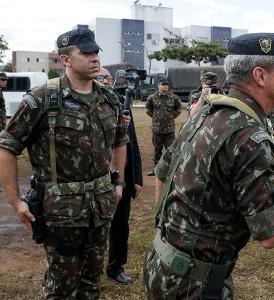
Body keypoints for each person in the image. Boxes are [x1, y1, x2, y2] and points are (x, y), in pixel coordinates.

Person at [143, 32, 274, 299]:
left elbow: (163, 175)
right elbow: (273, 233)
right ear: (260, 76)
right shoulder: (248, 136)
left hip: (162, 265)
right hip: (194, 286)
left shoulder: (205, 112)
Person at [0, 28, 128, 299]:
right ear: (66, 59)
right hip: (61, 213)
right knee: (62, 287)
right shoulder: (42, 99)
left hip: (100, 208)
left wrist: (118, 182)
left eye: (96, 52)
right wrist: (15, 202)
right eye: (86, 53)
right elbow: (7, 147)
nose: (95, 58)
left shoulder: (109, 99)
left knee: (92, 283)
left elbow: (120, 141)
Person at [97, 67, 143, 285]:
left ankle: (116, 267)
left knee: (120, 225)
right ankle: (90, 268)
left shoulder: (120, 104)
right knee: (94, 227)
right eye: (101, 77)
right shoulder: (86, 105)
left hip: (121, 178)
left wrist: (136, 179)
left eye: (107, 77)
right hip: (97, 177)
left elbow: (132, 144)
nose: (106, 81)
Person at [145, 78, 182, 176]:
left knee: (171, 151)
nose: (165, 86)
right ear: (158, 85)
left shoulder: (174, 97)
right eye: (163, 84)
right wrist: (156, 118)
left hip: (169, 130)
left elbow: (179, 109)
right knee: (157, 151)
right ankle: (156, 171)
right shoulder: (152, 98)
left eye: (167, 84)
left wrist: (171, 118)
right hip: (157, 130)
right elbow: (148, 110)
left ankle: (171, 171)